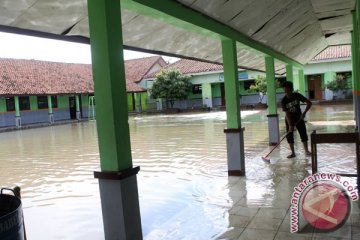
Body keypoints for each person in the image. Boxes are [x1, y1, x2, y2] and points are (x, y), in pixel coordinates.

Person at [281, 81, 312, 158]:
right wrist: (290, 125)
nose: (287, 92)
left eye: (288, 90)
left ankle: (307, 151)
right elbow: (287, 114)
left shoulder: (297, 95)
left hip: (299, 118)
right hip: (289, 120)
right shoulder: (283, 100)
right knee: (289, 136)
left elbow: (309, 103)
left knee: (303, 134)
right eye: (285, 91)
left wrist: (304, 113)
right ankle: (293, 153)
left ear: (292, 89)